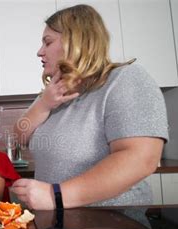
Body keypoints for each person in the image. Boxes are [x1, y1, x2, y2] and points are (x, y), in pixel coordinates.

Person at [10, 4, 169, 210]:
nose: (39, 52)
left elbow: (141, 158)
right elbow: (18, 138)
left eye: (47, 42)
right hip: (59, 224)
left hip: (114, 223)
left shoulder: (125, 79)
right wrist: (43, 104)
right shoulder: (52, 92)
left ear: (75, 41)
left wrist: (55, 196)